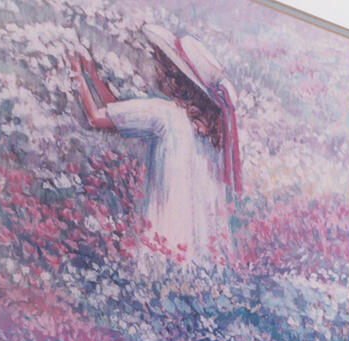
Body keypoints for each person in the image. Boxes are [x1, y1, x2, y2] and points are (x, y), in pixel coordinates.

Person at [72, 26, 243, 265]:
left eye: (161, 67)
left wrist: (79, 76)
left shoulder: (164, 114)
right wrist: (94, 76)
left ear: (173, 78)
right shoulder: (211, 135)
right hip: (202, 262)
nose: (156, 71)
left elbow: (96, 117)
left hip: (163, 252)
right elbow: (119, 112)